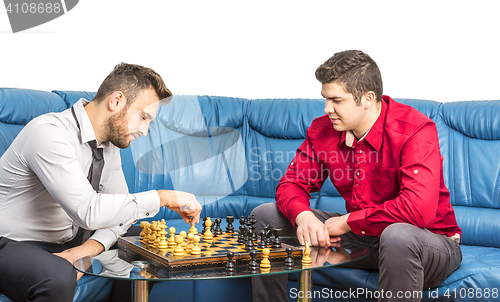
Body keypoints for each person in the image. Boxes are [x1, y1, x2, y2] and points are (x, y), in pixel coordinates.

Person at [251, 50, 462, 302]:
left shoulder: (415, 131)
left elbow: (418, 210)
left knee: (397, 236)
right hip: (363, 239)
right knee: (265, 216)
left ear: (368, 98)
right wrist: (304, 217)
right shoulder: (323, 130)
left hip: (426, 243)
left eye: (337, 100)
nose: (327, 108)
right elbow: (292, 184)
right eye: (325, 99)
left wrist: (347, 222)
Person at [0, 63, 202, 302]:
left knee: (148, 243)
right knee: (57, 276)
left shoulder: (108, 144)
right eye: (143, 117)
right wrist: (163, 197)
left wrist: (88, 249)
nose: (145, 130)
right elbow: (87, 211)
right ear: (116, 101)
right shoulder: (49, 132)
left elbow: (121, 217)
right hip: (13, 243)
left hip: (71, 238)